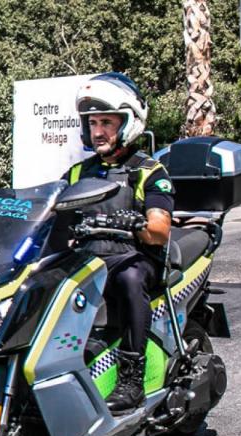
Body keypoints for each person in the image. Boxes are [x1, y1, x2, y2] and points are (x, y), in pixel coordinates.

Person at [61, 72, 173, 414]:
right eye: (92, 122)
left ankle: (132, 378)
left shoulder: (149, 172)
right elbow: (52, 215)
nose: (98, 131)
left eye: (107, 122)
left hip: (134, 257)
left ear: (129, 122)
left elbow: (161, 229)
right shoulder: (78, 174)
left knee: (130, 279)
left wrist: (137, 223)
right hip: (90, 260)